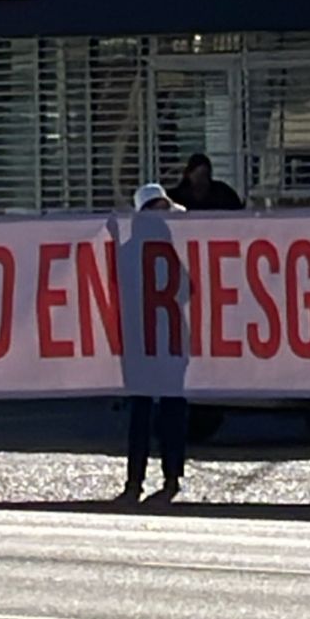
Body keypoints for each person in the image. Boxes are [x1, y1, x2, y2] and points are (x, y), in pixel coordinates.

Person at [122, 182, 189, 504]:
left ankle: (156, 478)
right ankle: (154, 477)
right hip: (153, 339)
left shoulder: (127, 249)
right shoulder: (172, 250)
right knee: (150, 410)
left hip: (154, 339)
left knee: (156, 410)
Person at [169, 153, 244, 212]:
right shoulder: (177, 196)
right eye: (198, 176)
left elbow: (237, 212)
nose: (201, 181)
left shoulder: (223, 194)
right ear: (188, 175)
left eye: (205, 175)